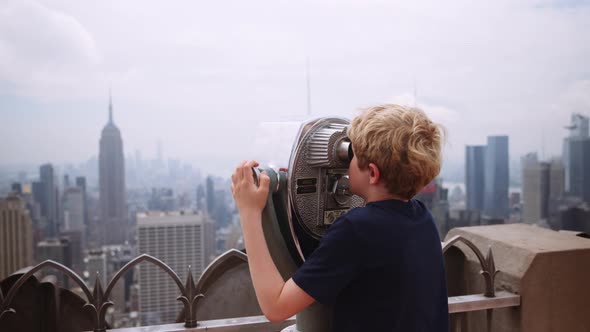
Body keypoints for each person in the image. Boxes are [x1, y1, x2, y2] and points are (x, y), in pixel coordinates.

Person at [231, 104, 448, 331]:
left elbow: (276, 307)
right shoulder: (423, 219)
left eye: (352, 156)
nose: (345, 163)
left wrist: (249, 212)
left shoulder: (357, 229)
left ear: (372, 173)